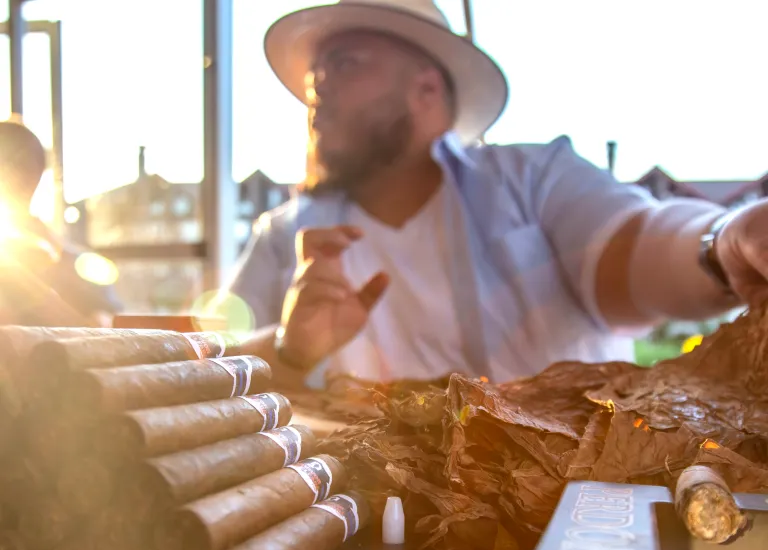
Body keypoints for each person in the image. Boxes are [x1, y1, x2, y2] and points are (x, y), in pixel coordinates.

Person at [222, 0, 768, 387]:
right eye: (316, 73)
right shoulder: (287, 237)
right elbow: (214, 371)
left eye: (344, 63)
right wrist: (291, 352)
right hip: (372, 531)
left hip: (566, 525)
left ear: (427, 88)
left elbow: (636, 248)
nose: (317, 88)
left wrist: (723, 242)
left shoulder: (531, 178)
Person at [0, 118, 121, 325]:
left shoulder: (70, 260)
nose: (15, 174)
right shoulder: (70, 259)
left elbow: (103, 326)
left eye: (19, 165)